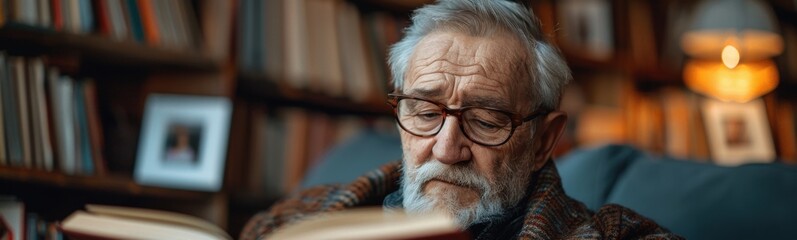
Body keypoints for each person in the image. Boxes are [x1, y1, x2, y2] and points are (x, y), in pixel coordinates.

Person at [242, 1, 682, 239]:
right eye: (426, 112)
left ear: (543, 141)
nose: (446, 148)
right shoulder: (300, 219)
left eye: (487, 120)